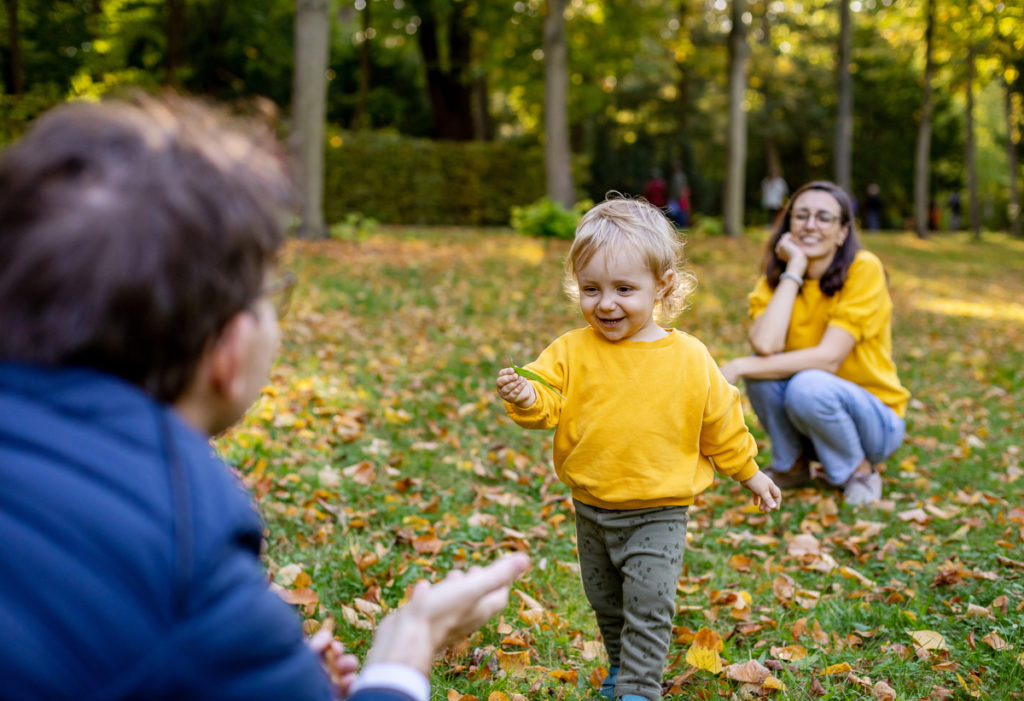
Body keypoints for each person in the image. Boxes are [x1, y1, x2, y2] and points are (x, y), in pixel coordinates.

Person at [0, 94, 528, 701]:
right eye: (269, 293)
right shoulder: (185, 550)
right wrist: (405, 655)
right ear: (227, 350)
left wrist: (250, 671)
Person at [495, 197, 781, 701]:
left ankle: (639, 690)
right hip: (592, 507)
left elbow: (721, 423)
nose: (606, 304)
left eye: (624, 289)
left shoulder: (690, 358)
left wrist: (750, 472)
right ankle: (621, 670)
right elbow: (546, 403)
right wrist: (525, 395)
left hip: (659, 510)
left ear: (662, 286)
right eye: (591, 289)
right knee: (606, 601)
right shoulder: (570, 350)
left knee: (648, 604)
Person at [720, 181, 909, 506]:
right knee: (766, 375)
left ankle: (861, 471)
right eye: (801, 215)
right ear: (788, 224)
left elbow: (828, 358)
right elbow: (766, 345)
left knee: (804, 383)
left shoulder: (863, 268)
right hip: (809, 412)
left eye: (824, 218)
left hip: (876, 422)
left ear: (842, 232)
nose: (810, 225)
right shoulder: (775, 281)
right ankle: (792, 465)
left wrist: (739, 365)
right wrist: (794, 269)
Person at [667, 161, 690, 228]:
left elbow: (682, 188)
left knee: (680, 212)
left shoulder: (680, 176)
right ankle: (679, 225)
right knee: (676, 213)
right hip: (676, 198)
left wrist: (683, 196)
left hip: (680, 198)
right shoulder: (676, 176)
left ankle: (682, 225)